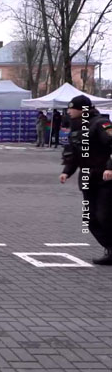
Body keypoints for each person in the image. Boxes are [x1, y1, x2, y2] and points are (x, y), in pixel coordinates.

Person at [60, 95, 112, 265]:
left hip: (105, 178)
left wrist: (110, 167)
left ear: (82, 109)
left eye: (71, 108)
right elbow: (75, 153)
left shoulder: (101, 124)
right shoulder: (76, 127)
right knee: (90, 219)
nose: (68, 111)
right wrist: (67, 171)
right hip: (87, 179)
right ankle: (110, 249)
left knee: (104, 216)